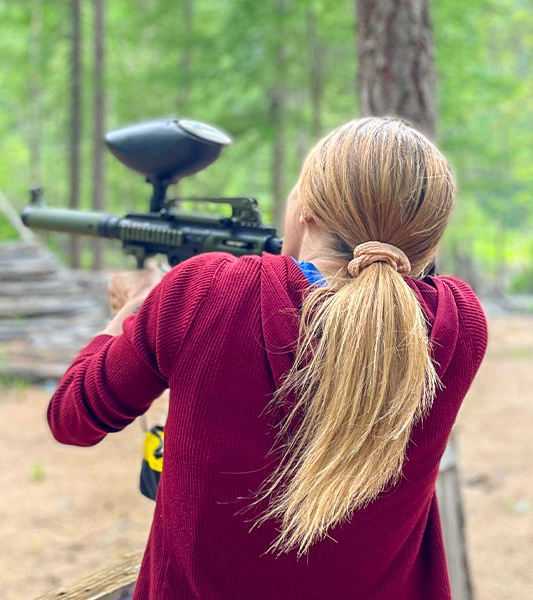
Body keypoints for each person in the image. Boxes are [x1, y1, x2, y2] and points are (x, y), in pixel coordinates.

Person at [47, 117, 488, 600]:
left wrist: (134, 309)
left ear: (308, 210)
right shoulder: (459, 326)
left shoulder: (205, 290)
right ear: (431, 241)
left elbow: (72, 417)